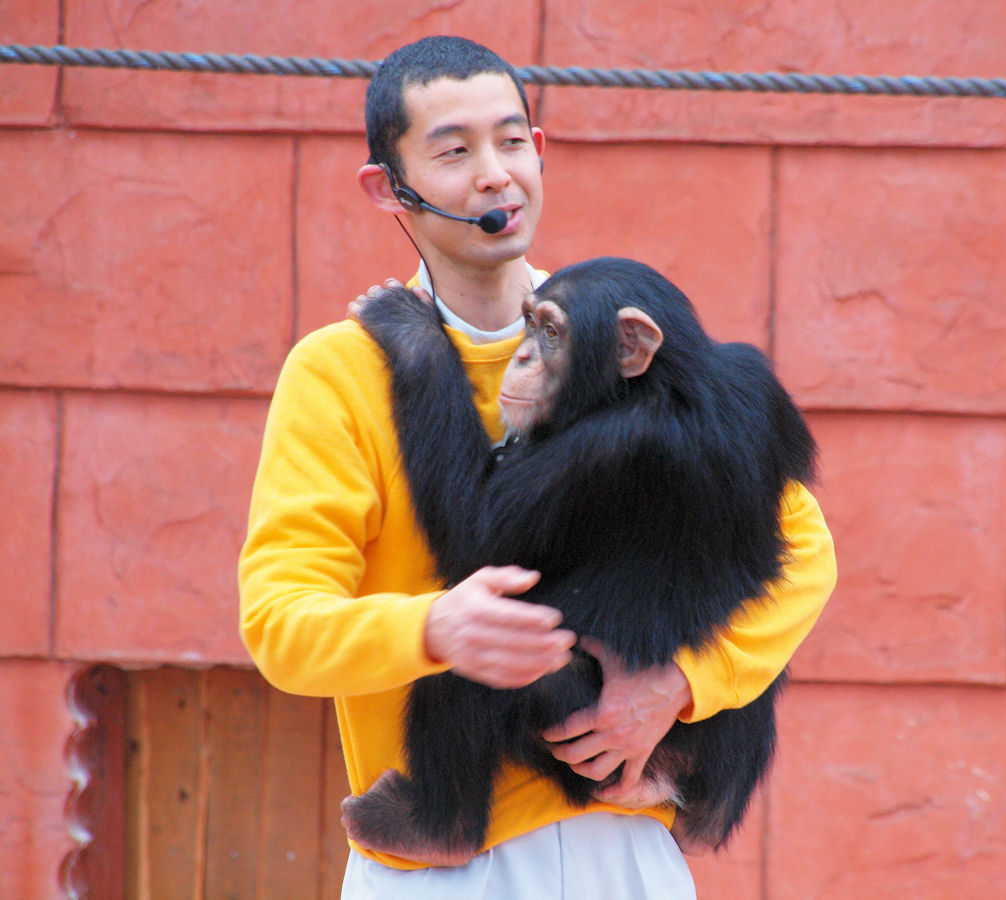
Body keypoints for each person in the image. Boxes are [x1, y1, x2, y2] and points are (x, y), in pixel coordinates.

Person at [238, 35, 836, 899]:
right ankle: (447, 804)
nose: (494, 175)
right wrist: (431, 630)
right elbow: (280, 623)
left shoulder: (610, 342)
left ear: (539, 151)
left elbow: (802, 556)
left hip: (626, 849)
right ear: (388, 188)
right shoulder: (340, 374)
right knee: (481, 654)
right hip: (453, 871)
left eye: (511, 141)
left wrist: (679, 685)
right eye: (453, 151)